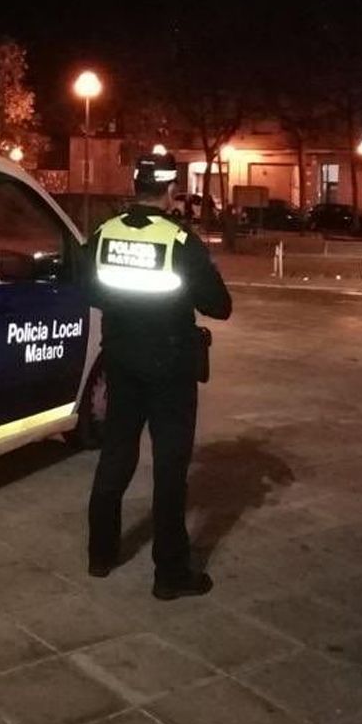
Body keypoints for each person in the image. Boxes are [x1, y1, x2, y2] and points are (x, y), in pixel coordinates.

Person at [85, 151, 232, 599]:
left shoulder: (103, 233)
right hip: (170, 366)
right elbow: (219, 305)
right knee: (170, 467)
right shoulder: (180, 241)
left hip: (121, 360)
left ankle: (100, 553)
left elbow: (90, 290)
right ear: (170, 190)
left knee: (115, 453)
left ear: (136, 185)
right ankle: (170, 574)